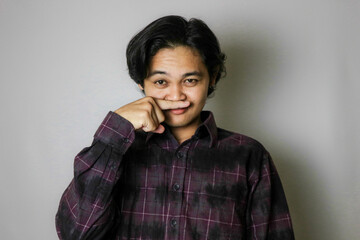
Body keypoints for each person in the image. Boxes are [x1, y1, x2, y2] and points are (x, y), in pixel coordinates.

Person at [55, 15, 295, 240]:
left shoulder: (249, 156)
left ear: (211, 78)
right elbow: (76, 234)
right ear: (141, 83)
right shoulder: (116, 151)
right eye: (161, 81)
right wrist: (115, 130)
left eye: (190, 80)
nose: (177, 95)